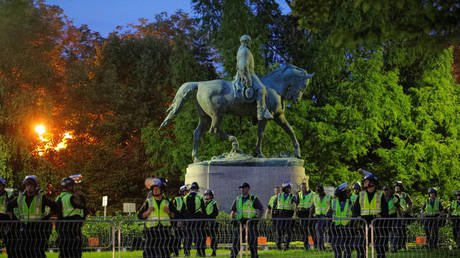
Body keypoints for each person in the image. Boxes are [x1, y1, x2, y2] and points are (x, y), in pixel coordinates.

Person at [7, 175, 57, 258]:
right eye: (27, 185)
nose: (29, 188)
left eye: (31, 185)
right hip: (24, 227)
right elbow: (9, 206)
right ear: (25, 186)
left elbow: (54, 206)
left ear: (35, 187)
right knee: (23, 250)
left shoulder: (41, 197)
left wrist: (47, 218)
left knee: (37, 251)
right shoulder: (20, 197)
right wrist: (14, 220)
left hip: (38, 229)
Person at [352, 169, 389, 258]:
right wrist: (357, 216)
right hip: (363, 223)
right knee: (360, 245)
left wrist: (382, 215)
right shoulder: (361, 194)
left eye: (366, 181)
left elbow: (385, 209)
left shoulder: (380, 195)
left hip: (377, 223)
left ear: (372, 183)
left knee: (379, 246)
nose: (365, 183)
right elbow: (355, 209)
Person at [235, 34, 273, 121]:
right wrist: (248, 81)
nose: (250, 43)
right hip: (248, 74)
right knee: (261, 89)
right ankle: (260, 113)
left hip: (250, 73)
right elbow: (243, 67)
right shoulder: (244, 51)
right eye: (249, 41)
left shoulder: (242, 50)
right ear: (246, 42)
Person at [138, 178, 175, 258]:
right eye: (153, 189)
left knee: (164, 252)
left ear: (162, 190)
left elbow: (176, 216)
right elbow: (140, 216)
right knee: (150, 252)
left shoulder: (167, 202)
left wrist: (169, 212)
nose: (155, 191)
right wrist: (148, 212)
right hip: (151, 231)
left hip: (164, 231)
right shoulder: (148, 202)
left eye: (157, 189)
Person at [230, 182, 264, 258]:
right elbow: (233, 211)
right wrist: (232, 219)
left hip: (250, 222)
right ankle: (232, 256)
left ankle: (254, 256)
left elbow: (261, 209)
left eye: (244, 188)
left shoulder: (253, 198)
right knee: (237, 241)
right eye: (241, 188)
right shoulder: (238, 198)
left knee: (252, 242)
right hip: (240, 223)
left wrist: (257, 219)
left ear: (248, 189)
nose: (242, 189)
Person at [55, 177, 86, 258]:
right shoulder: (71, 197)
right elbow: (83, 207)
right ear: (69, 186)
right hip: (72, 227)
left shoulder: (58, 197)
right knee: (75, 251)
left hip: (62, 228)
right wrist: (82, 198)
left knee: (63, 251)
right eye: (73, 186)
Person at [330, 182, 353, 258]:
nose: (347, 194)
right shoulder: (333, 202)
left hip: (347, 227)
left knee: (347, 247)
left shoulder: (349, 202)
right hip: (336, 227)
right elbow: (329, 213)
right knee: (337, 246)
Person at [184, 182, 205, 257]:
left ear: (191, 189)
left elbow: (183, 209)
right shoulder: (200, 196)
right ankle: (199, 252)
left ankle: (187, 252)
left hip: (188, 218)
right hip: (198, 217)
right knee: (198, 235)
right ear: (197, 189)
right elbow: (203, 209)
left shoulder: (186, 197)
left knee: (188, 236)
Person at [273, 182, 296, 250]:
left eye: (290, 188)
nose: (289, 189)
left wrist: (296, 196)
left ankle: (286, 246)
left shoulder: (291, 196)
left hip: (288, 215)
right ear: (284, 189)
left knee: (287, 230)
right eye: (288, 188)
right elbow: (274, 204)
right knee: (279, 230)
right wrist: (273, 214)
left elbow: (297, 202)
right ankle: (278, 245)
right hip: (280, 215)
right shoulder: (279, 195)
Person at [393, 181, 412, 251]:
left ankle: (404, 245)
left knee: (403, 231)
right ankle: (397, 246)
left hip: (403, 215)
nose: (396, 188)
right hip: (395, 216)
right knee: (397, 231)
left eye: (398, 186)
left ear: (401, 187)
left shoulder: (405, 195)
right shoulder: (393, 195)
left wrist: (406, 211)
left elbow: (410, 204)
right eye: (395, 186)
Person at [296, 182, 315, 250]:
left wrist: (310, 212)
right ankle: (306, 245)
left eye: (305, 187)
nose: (303, 189)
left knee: (311, 229)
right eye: (302, 187)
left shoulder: (313, 194)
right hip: (302, 214)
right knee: (304, 230)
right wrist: (296, 214)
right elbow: (297, 203)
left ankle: (315, 244)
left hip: (310, 213)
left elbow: (314, 204)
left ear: (307, 187)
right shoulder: (299, 193)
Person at [312, 185, 331, 250]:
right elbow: (313, 206)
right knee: (318, 231)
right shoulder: (315, 197)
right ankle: (320, 246)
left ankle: (321, 247)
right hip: (317, 217)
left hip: (325, 216)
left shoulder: (328, 197)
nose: (319, 193)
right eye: (318, 192)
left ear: (323, 191)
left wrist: (329, 214)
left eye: (320, 192)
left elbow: (331, 206)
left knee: (320, 231)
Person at [383, 185, 401, 252]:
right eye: (385, 190)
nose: (386, 191)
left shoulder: (394, 198)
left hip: (393, 217)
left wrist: (401, 217)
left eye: (387, 190)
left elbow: (398, 207)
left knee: (394, 232)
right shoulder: (382, 198)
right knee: (386, 233)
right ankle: (386, 247)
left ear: (390, 191)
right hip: (385, 218)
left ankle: (393, 247)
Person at [172, 185, 188, 257]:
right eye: (184, 191)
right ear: (181, 192)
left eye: (186, 191)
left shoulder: (188, 199)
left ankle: (186, 252)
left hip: (185, 221)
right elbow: (174, 211)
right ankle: (176, 253)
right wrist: (178, 220)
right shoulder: (176, 199)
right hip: (177, 221)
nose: (185, 193)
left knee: (186, 238)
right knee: (177, 238)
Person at [204, 189, 219, 256]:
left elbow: (216, 212)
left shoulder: (214, 203)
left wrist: (209, 216)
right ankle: (202, 251)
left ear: (211, 196)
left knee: (213, 238)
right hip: (205, 223)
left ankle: (214, 251)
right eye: (206, 195)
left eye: (208, 195)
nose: (207, 196)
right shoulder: (204, 203)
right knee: (203, 237)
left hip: (212, 222)